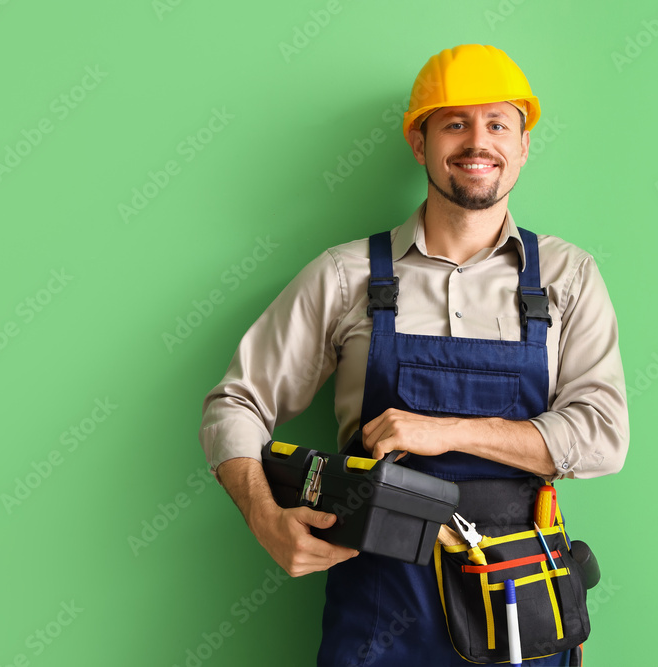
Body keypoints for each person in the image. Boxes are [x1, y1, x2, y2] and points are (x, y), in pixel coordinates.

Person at [199, 44, 629, 666]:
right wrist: (263, 515)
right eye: (454, 122)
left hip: (518, 611)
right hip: (379, 614)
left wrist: (442, 430)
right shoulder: (345, 277)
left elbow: (602, 437)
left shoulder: (569, 277)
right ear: (418, 141)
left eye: (498, 123)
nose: (477, 141)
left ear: (523, 144)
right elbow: (235, 402)